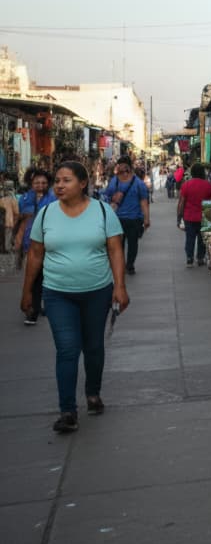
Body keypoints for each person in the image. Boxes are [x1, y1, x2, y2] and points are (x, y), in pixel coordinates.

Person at [19, 161, 129, 434]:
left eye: (66, 180)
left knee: (93, 346)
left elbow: (115, 250)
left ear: (83, 183)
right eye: (57, 180)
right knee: (67, 349)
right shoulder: (46, 214)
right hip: (58, 294)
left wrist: (120, 286)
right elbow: (35, 254)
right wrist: (27, 292)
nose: (59, 185)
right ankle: (67, 410)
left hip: (97, 292)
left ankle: (93, 392)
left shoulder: (102, 212)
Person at [14, 169, 57, 325]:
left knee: (43, 277)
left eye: (44, 183)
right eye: (37, 183)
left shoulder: (54, 198)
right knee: (33, 276)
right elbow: (22, 220)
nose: (40, 185)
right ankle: (32, 310)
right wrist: (18, 239)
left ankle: (38, 306)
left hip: (49, 242)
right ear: (31, 183)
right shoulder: (25, 199)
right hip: (30, 242)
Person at [104, 157, 151, 275]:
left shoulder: (136, 183)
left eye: (124, 166)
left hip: (131, 219)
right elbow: (106, 196)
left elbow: (144, 202)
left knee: (130, 244)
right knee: (122, 244)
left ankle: (129, 265)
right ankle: (125, 265)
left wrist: (146, 218)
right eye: (121, 166)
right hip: (119, 218)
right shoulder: (116, 181)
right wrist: (112, 198)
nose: (122, 169)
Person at [176, 163, 211, 267]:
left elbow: (181, 203)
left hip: (189, 217)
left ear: (192, 173)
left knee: (190, 238)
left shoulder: (186, 185)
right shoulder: (208, 185)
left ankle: (189, 258)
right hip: (204, 217)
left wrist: (179, 218)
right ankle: (200, 258)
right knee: (202, 239)